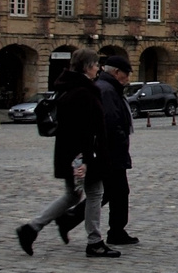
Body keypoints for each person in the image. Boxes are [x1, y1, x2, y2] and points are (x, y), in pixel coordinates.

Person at [15, 48, 117, 258]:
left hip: (70, 153)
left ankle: (32, 228)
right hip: (82, 155)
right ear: (88, 67)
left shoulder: (69, 87)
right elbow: (85, 130)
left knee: (72, 195)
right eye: (96, 65)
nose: (98, 69)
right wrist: (85, 160)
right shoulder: (83, 91)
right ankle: (95, 241)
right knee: (95, 194)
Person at [95, 54, 139, 246]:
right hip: (112, 150)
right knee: (118, 191)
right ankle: (116, 231)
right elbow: (111, 120)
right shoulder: (108, 90)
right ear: (116, 72)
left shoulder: (109, 87)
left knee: (109, 192)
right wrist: (121, 139)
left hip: (111, 149)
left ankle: (68, 220)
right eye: (126, 74)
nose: (128, 79)